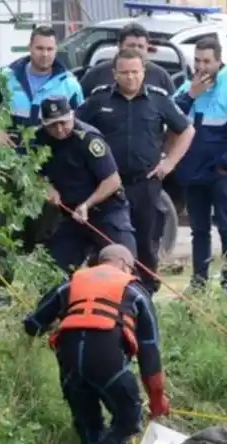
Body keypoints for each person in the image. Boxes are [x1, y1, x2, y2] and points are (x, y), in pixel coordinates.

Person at [23, 244, 170, 444]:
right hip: (107, 360)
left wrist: (46, 321)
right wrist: (158, 400)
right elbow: (150, 353)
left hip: (69, 360)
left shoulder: (70, 284)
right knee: (128, 419)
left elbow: (32, 325)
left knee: (91, 427)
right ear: (126, 266)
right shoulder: (135, 291)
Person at [0, 25, 83, 299]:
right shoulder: (6, 77)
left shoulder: (67, 82)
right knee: (6, 232)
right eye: (39, 48)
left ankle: (47, 296)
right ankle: (2, 294)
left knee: (46, 233)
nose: (44, 55)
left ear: (55, 50)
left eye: (49, 49)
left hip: (48, 171)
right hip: (10, 169)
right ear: (30, 47)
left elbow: (78, 124)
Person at [77, 48, 194, 293]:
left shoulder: (158, 99)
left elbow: (186, 130)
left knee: (146, 242)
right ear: (114, 74)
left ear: (143, 72)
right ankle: (104, 294)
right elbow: (76, 129)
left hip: (145, 184)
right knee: (106, 243)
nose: (130, 77)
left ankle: (144, 296)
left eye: (135, 72)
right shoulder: (100, 100)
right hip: (109, 186)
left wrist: (169, 163)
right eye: (124, 72)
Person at [173, 36, 227, 293]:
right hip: (193, 172)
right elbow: (167, 117)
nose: (201, 66)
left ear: (219, 61)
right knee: (199, 230)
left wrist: (226, 166)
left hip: (221, 173)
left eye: (207, 61)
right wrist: (190, 95)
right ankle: (199, 282)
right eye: (197, 60)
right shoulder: (188, 88)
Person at [35, 96, 138, 273]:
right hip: (69, 213)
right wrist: (44, 187)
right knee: (53, 271)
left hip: (105, 209)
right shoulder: (38, 139)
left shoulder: (88, 138)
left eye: (63, 123)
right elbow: (30, 170)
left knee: (122, 262)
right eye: (52, 125)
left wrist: (87, 204)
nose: (59, 129)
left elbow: (112, 180)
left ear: (72, 116)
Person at [78, 22, 176, 98]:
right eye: (131, 46)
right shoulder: (98, 73)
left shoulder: (161, 76)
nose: (136, 50)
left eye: (141, 46)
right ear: (119, 46)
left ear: (147, 48)